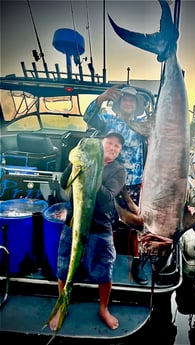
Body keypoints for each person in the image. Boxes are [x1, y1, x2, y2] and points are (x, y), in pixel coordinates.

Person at [50, 132, 126, 331]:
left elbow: (107, 197)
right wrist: (76, 163)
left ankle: (103, 308)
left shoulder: (118, 171)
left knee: (104, 271)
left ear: (119, 152)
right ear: (101, 144)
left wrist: (93, 172)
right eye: (109, 143)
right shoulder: (82, 162)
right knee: (64, 267)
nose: (112, 147)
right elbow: (64, 182)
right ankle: (62, 305)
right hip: (73, 224)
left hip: (101, 228)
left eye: (117, 146)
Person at [84, 85, 148, 285]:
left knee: (136, 226)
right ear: (119, 103)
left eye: (132, 101)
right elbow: (89, 118)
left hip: (134, 183)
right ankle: (102, 261)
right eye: (125, 100)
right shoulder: (108, 121)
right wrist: (100, 99)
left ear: (136, 105)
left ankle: (137, 263)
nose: (128, 103)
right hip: (110, 182)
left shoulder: (144, 125)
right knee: (106, 223)